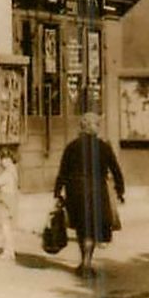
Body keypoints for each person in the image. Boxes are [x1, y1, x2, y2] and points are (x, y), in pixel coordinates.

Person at [54, 111, 124, 278]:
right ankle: (86, 264)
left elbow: (62, 171)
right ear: (93, 127)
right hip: (96, 191)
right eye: (97, 124)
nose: (98, 127)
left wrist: (57, 192)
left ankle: (84, 262)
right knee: (91, 228)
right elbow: (115, 170)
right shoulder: (103, 146)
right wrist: (120, 190)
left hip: (75, 192)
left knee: (81, 227)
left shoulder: (71, 146)